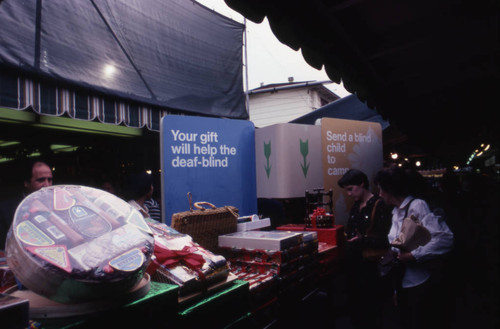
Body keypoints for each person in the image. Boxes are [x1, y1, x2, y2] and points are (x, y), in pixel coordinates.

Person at [374, 165, 454, 329]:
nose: (379, 194)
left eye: (381, 189)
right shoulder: (395, 211)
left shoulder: (417, 206)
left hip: (419, 282)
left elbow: (445, 239)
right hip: (402, 281)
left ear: (391, 189)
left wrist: (414, 255)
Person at [337, 169, 393, 329]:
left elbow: (388, 238)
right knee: (356, 310)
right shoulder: (356, 206)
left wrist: (364, 240)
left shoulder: (378, 205)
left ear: (362, 184)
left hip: (371, 267)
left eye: (350, 189)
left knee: (371, 311)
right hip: (355, 266)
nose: (348, 194)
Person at [0, 160, 53, 250]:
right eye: (41, 180)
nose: (47, 185)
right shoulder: (6, 210)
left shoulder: (57, 205)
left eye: (50, 180)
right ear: (26, 183)